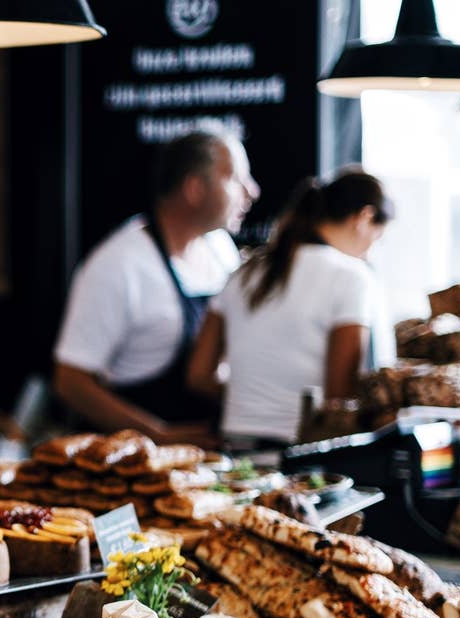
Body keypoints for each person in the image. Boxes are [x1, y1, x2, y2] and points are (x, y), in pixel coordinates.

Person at [52, 128, 260, 445]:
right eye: (235, 178)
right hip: (133, 462)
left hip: (209, 456)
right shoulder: (119, 265)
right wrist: (157, 436)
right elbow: (70, 382)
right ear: (194, 188)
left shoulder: (220, 248)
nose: (252, 191)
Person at [186, 170, 394, 448]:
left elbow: (199, 376)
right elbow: (339, 399)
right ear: (365, 218)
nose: (371, 250)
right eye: (377, 239)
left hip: (236, 450)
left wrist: (253, 397)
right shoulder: (352, 277)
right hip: (303, 456)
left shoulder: (244, 272)